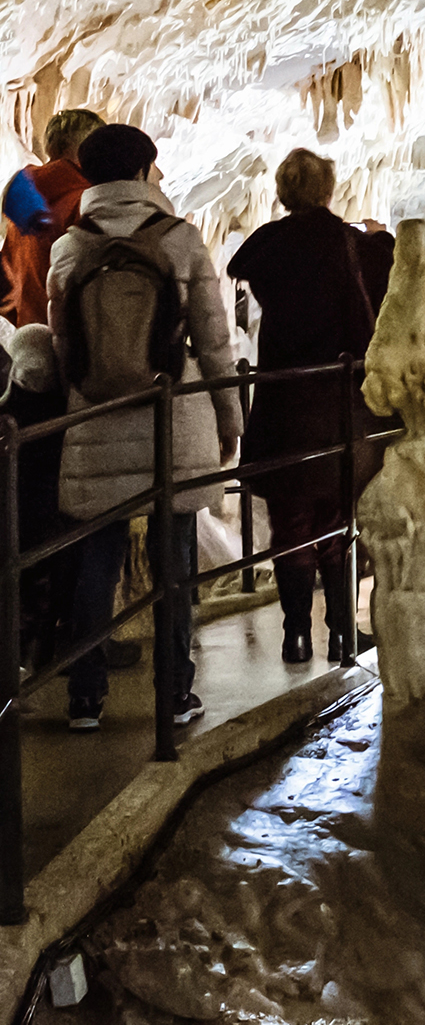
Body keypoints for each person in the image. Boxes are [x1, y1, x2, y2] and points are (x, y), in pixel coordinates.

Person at [49, 124, 241, 732]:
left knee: (96, 563)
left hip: (95, 421)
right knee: (174, 564)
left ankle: (85, 698)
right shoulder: (179, 238)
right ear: (139, 171)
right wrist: (229, 416)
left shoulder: (69, 248)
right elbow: (213, 339)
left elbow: (62, 345)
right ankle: (175, 692)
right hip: (170, 421)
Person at [226, 150, 391, 665]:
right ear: (327, 190)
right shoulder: (346, 243)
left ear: (283, 192)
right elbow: (378, 287)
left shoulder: (270, 245)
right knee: (337, 519)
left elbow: (239, 264)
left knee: (290, 521)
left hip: (282, 401)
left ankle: (295, 635)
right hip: (336, 399)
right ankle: (341, 632)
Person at [2, 325, 74, 671]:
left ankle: (19, 651)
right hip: (50, 516)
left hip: (14, 516)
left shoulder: (9, 412)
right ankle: (43, 649)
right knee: (45, 580)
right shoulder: (60, 412)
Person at [2, 109, 101, 326]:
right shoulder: (84, 200)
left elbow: (5, 279)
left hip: (29, 330)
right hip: (71, 331)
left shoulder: (22, 193)